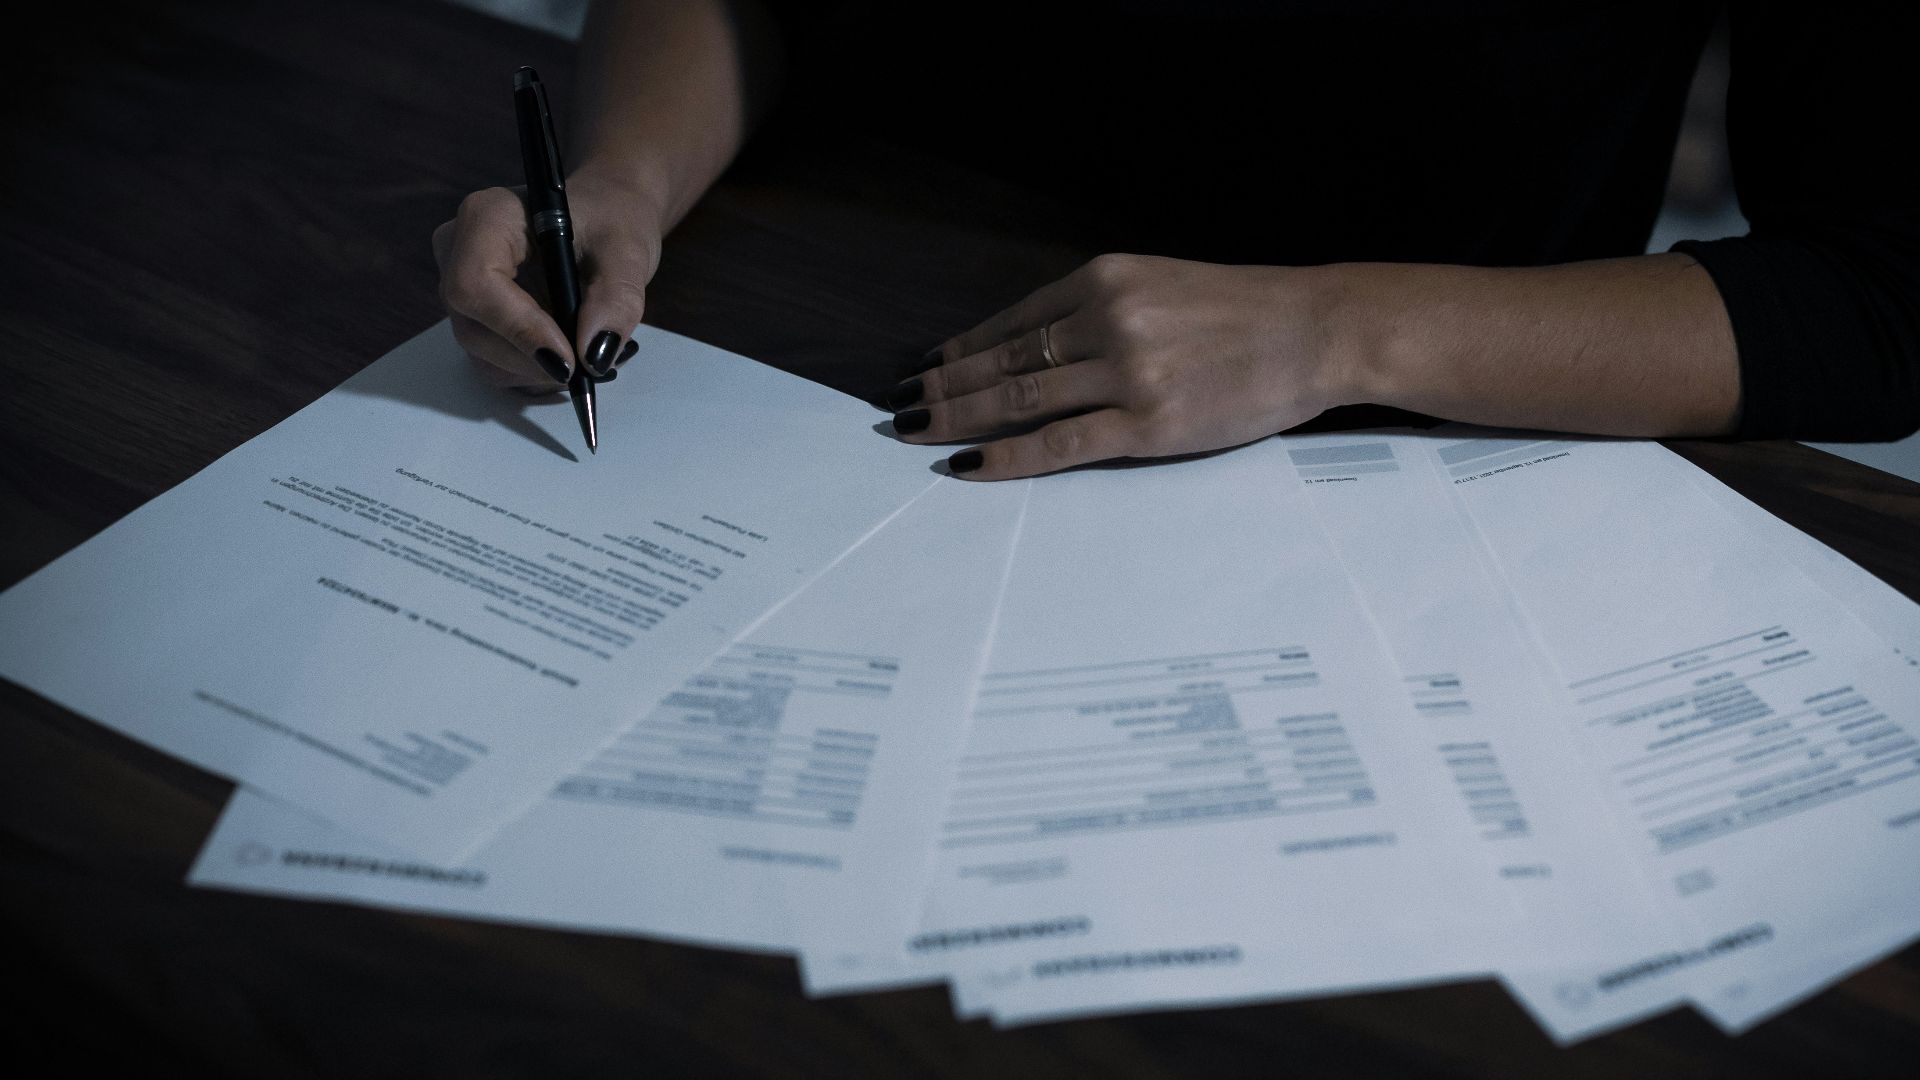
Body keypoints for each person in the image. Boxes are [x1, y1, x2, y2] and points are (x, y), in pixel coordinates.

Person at [435, 1, 1920, 481]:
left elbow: (1883, 294)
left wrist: (1338, 331)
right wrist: (624, 179)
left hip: (1407, 455)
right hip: (812, 331)